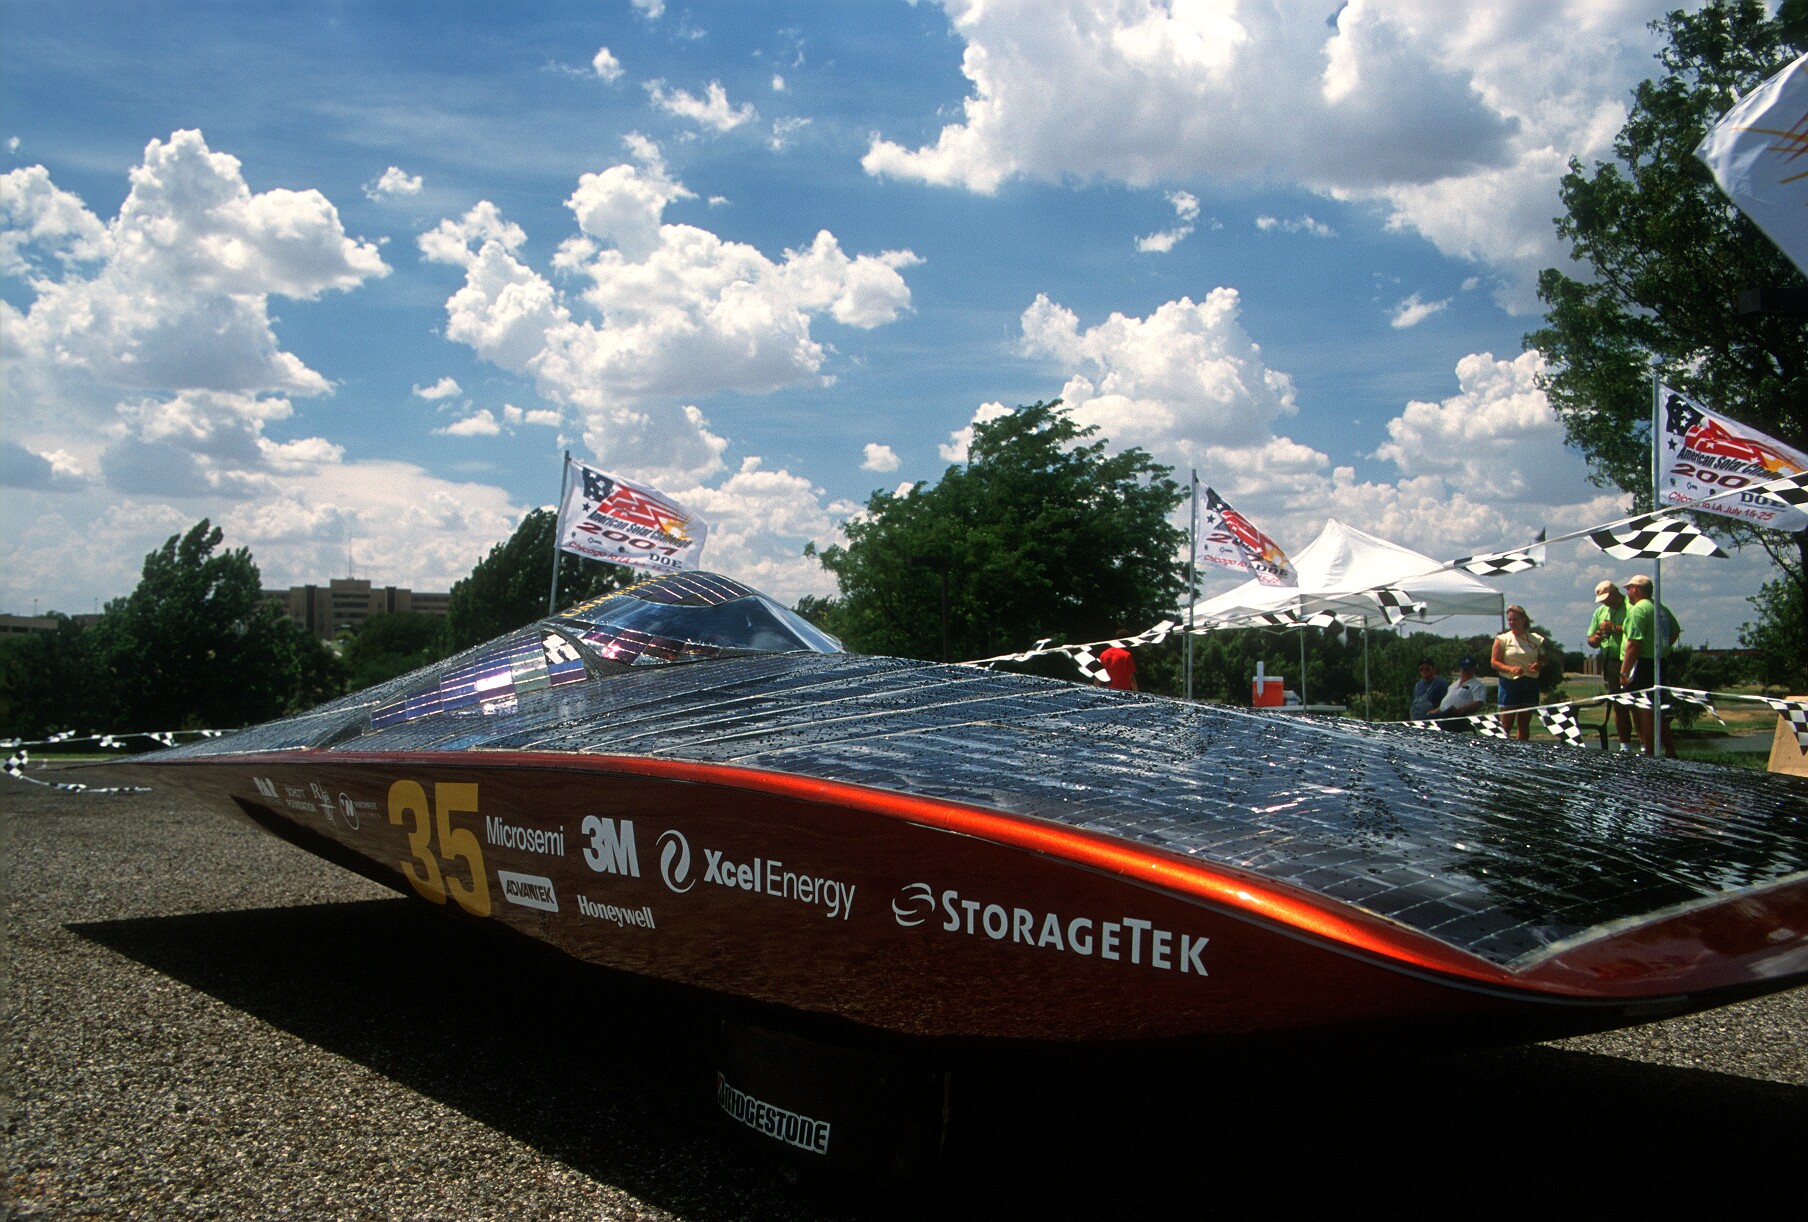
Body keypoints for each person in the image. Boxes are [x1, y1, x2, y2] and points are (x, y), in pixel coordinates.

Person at [1619, 574, 1680, 758]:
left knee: (1644, 708)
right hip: (1659, 661)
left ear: (1636, 589)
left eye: (1628, 589)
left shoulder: (1638, 610)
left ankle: (1650, 752)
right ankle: (1669, 750)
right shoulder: (1660, 607)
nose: (1627, 593)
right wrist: (1663, 647)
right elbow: (1675, 630)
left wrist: (1624, 671)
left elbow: (1634, 644)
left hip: (1643, 664)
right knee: (1656, 709)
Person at [1587, 580, 1634, 752]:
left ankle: (1645, 746)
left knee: (1637, 704)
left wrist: (1613, 628)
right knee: (1618, 704)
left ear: (1615, 593)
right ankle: (1625, 746)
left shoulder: (1631, 606)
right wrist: (1597, 637)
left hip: (1631, 660)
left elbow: (1635, 629)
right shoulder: (1600, 612)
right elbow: (1591, 639)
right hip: (1610, 661)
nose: (1605, 603)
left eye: (1607, 599)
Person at [1490, 604, 1545, 741]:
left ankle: (1522, 749)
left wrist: (1539, 665)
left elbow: (1544, 659)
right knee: (1506, 723)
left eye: (1515, 619)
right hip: (1509, 683)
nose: (1512, 623)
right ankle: (1501, 748)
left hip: (1529, 682)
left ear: (1523, 620)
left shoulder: (1536, 639)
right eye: (1509, 620)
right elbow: (1494, 662)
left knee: (1524, 722)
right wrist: (1510, 669)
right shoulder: (1502, 639)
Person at [1435, 657, 1489, 731]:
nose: (1466, 672)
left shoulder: (1477, 685)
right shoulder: (1454, 684)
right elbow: (1449, 698)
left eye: (1469, 669)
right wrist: (1437, 710)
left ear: (1473, 669)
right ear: (1460, 669)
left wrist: (1463, 709)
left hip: (1456, 718)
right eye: (1464, 669)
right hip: (1442, 714)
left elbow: (1479, 702)